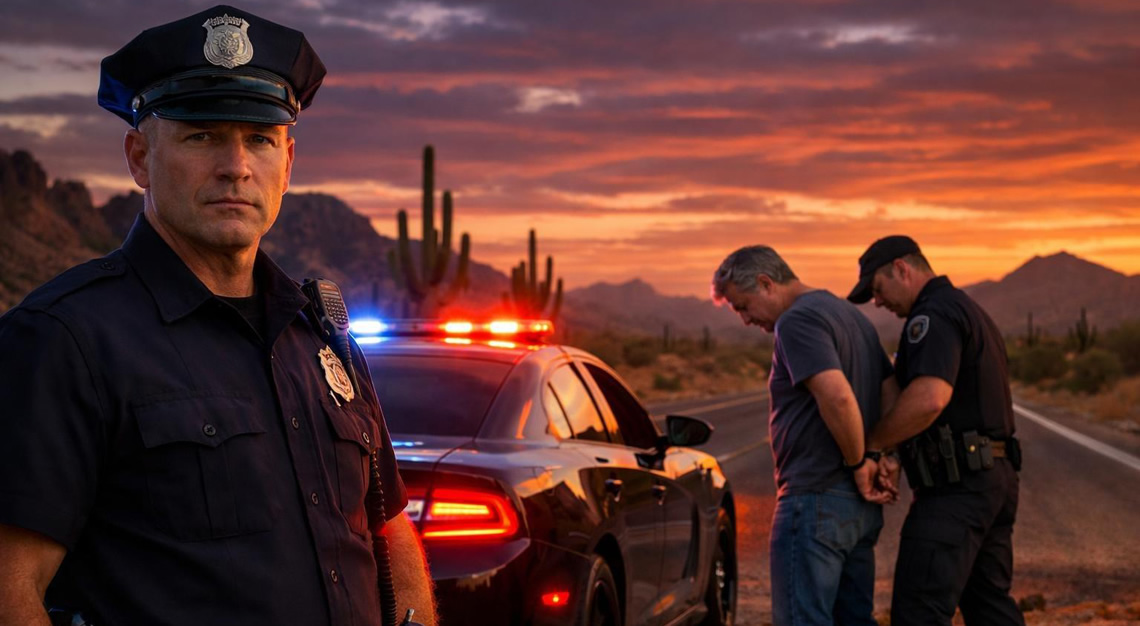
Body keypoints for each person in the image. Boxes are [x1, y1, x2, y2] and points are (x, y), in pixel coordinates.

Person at [0, 6, 436, 625]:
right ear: (138, 157)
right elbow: (10, 587)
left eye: (259, 139)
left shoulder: (323, 335)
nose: (236, 166)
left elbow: (387, 533)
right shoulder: (62, 340)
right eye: (201, 134)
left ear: (287, 165)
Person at [712, 245, 897, 625]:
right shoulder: (850, 316)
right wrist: (879, 455)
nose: (746, 320)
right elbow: (890, 390)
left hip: (815, 499)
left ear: (766, 283)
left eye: (743, 306)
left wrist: (859, 459)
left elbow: (838, 397)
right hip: (857, 508)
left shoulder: (795, 321)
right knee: (855, 619)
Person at [847, 235, 1024, 626]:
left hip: (956, 489)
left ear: (902, 269)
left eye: (877, 290)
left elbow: (930, 398)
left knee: (918, 613)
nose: (877, 302)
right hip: (991, 479)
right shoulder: (967, 308)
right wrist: (896, 454)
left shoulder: (933, 315)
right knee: (989, 605)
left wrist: (875, 445)